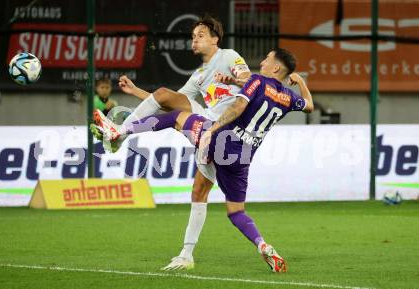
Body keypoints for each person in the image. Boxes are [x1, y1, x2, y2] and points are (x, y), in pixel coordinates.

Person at [94, 48, 314, 272]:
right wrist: (300, 82)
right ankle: (262, 245)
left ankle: (118, 133)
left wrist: (213, 129)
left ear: (276, 67)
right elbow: (310, 105)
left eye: (267, 58)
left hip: (221, 139)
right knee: (234, 210)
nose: (263, 61)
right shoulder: (288, 97)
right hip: (242, 158)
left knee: (174, 118)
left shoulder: (254, 79)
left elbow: (238, 106)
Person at [99, 15, 251, 270]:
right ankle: (186, 255)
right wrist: (136, 92)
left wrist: (236, 80)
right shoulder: (199, 75)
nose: (195, 39)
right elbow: (164, 100)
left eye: (200, 35)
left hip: (227, 129)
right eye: (193, 36)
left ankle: (120, 132)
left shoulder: (228, 56)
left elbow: (249, 81)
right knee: (198, 192)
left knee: (201, 191)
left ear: (215, 38)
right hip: (207, 127)